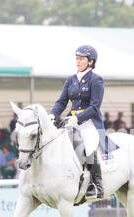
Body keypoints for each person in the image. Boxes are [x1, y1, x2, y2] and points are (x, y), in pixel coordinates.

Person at [49, 45, 118, 199]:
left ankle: (97, 184)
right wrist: (53, 115)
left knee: (87, 144)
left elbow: (95, 106)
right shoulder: (70, 79)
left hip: (90, 122)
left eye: (81, 59)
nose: (77, 61)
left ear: (90, 61)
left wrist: (77, 118)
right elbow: (61, 101)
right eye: (77, 58)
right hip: (71, 120)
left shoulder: (96, 80)